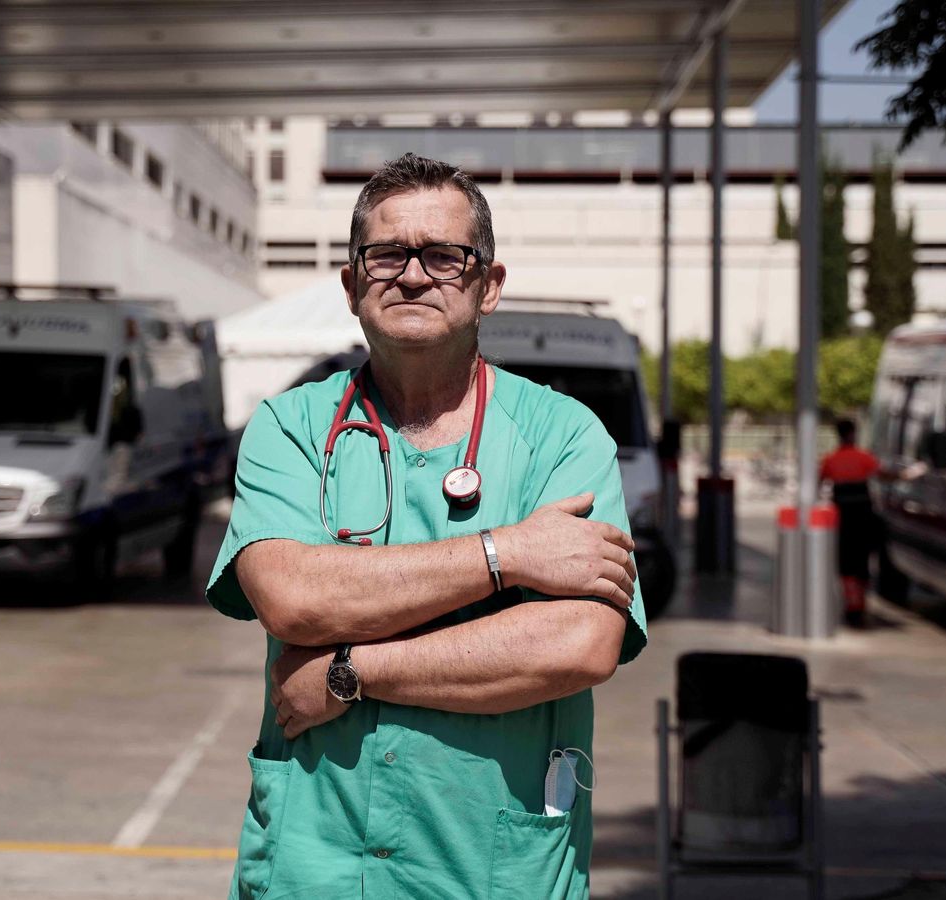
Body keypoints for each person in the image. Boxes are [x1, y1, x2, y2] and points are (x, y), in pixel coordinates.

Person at [206, 153, 646, 899]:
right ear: (352, 285)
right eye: (386, 255)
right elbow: (293, 598)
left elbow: (579, 642)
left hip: (491, 871)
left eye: (445, 256)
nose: (413, 275)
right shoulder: (289, 426)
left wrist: (350, 673)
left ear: (489, 285)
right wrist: (507, 552)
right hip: (317, 869)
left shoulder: (564, 436)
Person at [819, 418, 881, 626]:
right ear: (853, 433)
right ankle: (859, 604)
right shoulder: (864, 457)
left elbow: (819, 481)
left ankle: (851, 602)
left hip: (842, 517)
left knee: (845, 560)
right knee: (862, 559)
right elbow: (882, 474)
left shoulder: (830, 459)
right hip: (863, 515)